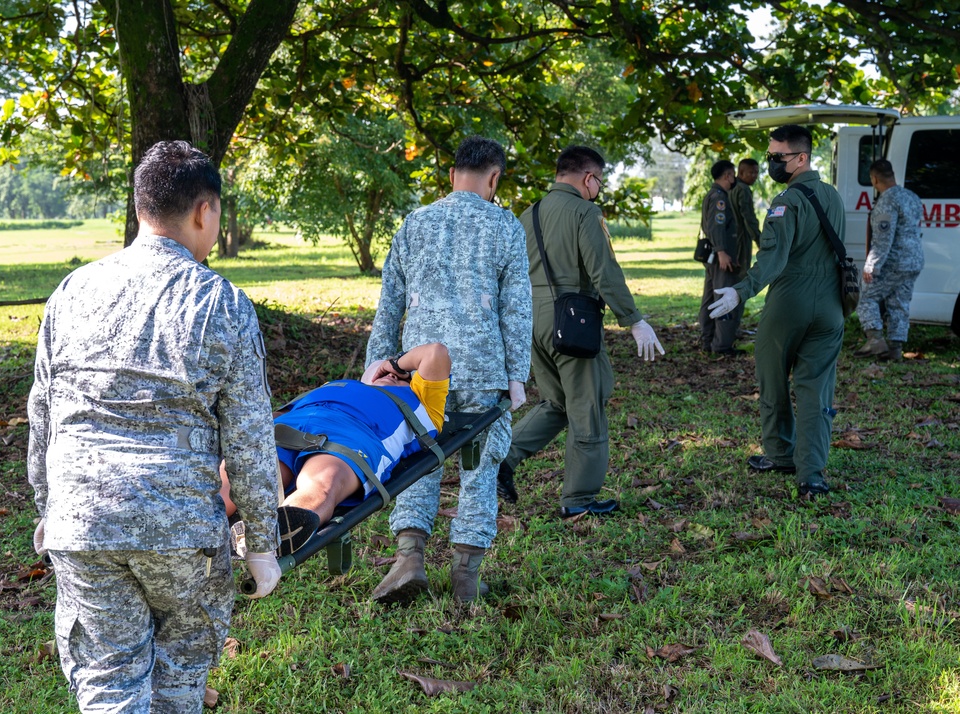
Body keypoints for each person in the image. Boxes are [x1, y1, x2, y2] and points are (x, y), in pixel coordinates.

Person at [27, 140, 281, 713]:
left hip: (82, 522)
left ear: (142, 207)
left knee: (108, 681)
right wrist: (262, 545)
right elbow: (248, 439)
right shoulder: (222, 303)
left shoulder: (71, 293)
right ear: (203, 211)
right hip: (180, 530)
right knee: (179, 676)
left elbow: (43, 414)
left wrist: (48, 509)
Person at [365, 135, 532, 604]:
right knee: (482, 466)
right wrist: (517, 375)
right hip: (484, 371)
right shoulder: (504, 227)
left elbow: (388, 306)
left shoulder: (415, 224)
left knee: (419, 457)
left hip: (422, 369)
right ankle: (466, 577)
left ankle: (409, 558)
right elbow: (516, 308)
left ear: (452, 174)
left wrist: (374, 367)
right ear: (494, 178)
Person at [497, 145, 664, 516]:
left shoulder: (529, 213)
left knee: (556, 403)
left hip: (531, 323)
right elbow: (604, 271)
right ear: (589, 178)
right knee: (588, 405)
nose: (598, 188)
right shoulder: (585, 212)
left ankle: (502, 458)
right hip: (571, 320)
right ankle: (579, 500)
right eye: (599, 181)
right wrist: (634, 320)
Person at [708, 124, 845, 498]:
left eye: (776, 157)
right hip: (831, 305)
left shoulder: (787, 202)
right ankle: (812, 474)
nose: (770, 163)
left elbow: (773, 258)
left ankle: (781, 453)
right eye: (769, 156)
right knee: (816, 390)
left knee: (773, 380)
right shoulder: (833, 195)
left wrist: (741, 291)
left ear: (801, 158)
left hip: (789, 302)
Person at [220, 343, 451, 557]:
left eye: (403, 377)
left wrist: (393, 365)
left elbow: (435, 353)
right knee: (240, 479)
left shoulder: (423, 402)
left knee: (322, 482)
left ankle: (272, 533)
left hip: (352, 437)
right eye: (387, 373)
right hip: (289, 425)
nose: (394, 376)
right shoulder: (336, 387)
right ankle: (196, 525)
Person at [854, 159, 925, 361]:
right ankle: (895, 350)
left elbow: (884, 238)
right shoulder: (912, 197)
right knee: (899, 303)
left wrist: (871, 265)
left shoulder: (886, 200)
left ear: (874, 179)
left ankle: (875, 339)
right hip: (914, 260)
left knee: (866, 296)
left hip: (894, 261)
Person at [698, 159, 743, 355]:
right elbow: (716, 227)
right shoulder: (720, 198)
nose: (735, 179)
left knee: (710, 297)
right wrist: (722, 252)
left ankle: (708, 340)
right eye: (733, 175)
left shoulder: (713, 194)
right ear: (727, 176)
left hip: (714, 257)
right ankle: (722, 345)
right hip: (720, 257)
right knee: (724, 296)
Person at [731, 157, 761, 273]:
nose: (755, 176)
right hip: (741, 238)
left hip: (729, 238)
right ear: (741, 172)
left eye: (757, 172)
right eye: (751, 172)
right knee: (741, 275)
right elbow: (748, 218)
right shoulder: (743, 189)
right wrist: (759, 239)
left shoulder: (730, 186)